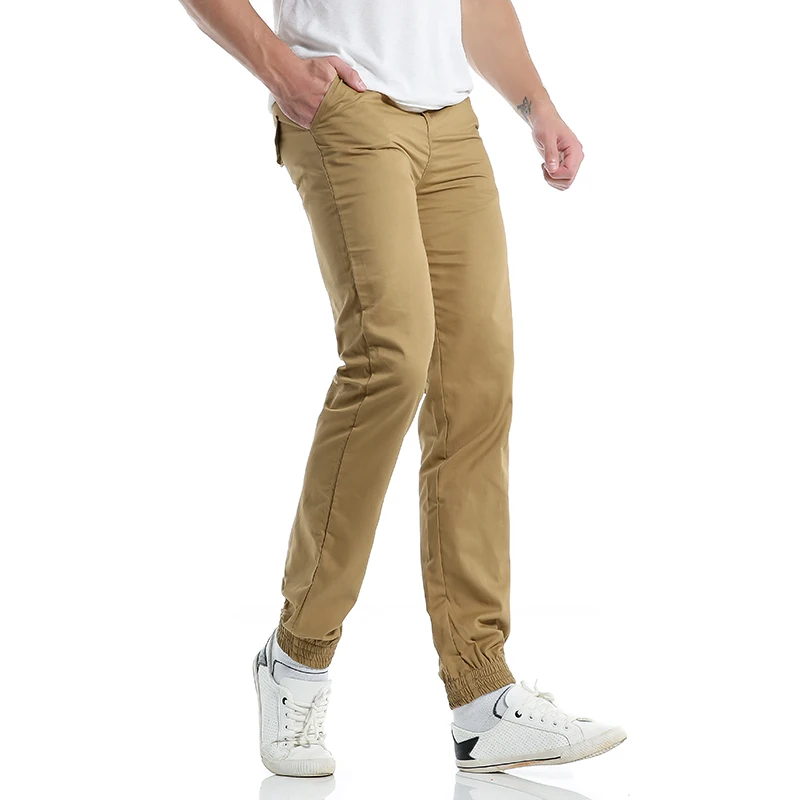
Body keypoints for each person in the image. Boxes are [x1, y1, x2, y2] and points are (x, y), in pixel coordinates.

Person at [179, 0, 626, 777]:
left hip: (451, 123)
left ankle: (483, 697)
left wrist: (537, 106)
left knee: (477, 384)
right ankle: (296, 657)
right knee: (391, 360)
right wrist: (279, 68)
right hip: (346, 106)